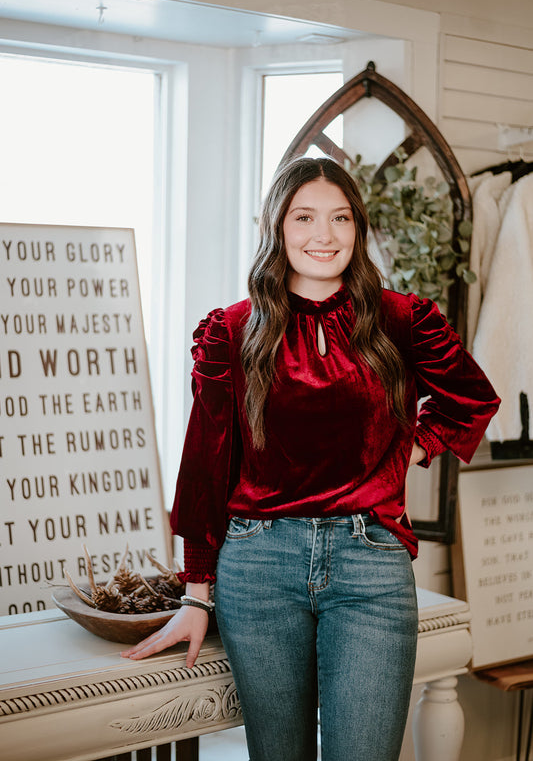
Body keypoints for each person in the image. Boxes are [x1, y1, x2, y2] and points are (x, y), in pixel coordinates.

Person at [122, 156, 500, 760]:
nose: (323, 236)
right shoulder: (233, 330)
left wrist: (410, 446)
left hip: (370, 565)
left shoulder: (403, 320)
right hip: (258, 565)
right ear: (278, 226)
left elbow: (471, 400)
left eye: (340, 218)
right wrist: (197, 594)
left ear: (358, 228)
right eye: (304, 217)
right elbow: (205, 465)